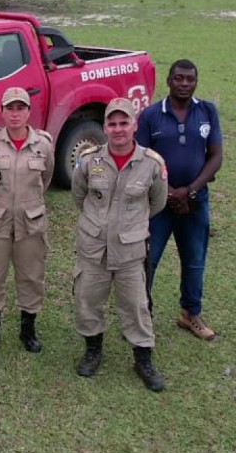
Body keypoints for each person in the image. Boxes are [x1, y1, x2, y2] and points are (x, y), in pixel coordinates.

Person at [71, 98, 169, 391]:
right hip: (93, 246)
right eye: (112, 124)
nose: (117, 129)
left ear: (134, 125)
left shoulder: (152, 164)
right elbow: (80, 195)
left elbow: (157, 202)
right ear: (105, 127)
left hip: (130, 250)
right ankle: (93, 350)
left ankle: (143, 359)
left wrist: (128, 226)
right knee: (87, 300)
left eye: (123, 122)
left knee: (136, 305)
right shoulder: (90, 160)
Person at [135, 59, 223, 341]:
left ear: (196, 81)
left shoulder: (207, 111)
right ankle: (141, 314)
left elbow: (216, 156)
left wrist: (191, 190)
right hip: (158, 203)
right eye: (179, 78)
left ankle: (190, 314)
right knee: (147, 260)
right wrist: (169, 191)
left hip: (196, 201)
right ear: (168, 81)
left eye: (190, 79)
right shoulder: (151, 115)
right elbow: (142, 159)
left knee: (195, 260)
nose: (184, 84)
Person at [0, 87, 55, 354]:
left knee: (31, 275)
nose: (15, 114)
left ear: (29, 112)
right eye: (10, 108)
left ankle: (27, 330)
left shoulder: (43, 144)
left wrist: (28, 203)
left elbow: (45, 179)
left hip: (30, 220)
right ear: (2, 112)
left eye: (21, 108)